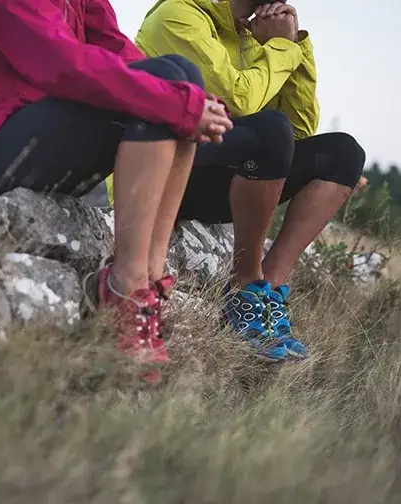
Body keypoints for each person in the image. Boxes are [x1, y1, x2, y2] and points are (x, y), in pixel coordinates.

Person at [0, 0, 233, 383]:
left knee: (181, 77)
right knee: (167, 94)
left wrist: (192, 99)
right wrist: (173, 99)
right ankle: (122, 289)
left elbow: (113, 46)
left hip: (49, 136)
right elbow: (55, 60)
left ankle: (147, 284)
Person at [107, 0, 367, 361]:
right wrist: (280, 49)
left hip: (221, 177)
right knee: (269, 129)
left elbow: (300, 130)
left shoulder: (253, 36)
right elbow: (239, 102)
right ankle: (244, 283)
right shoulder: (178, 16)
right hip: (161, 176)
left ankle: (265, 293)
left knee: (343, 153)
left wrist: (296, 46)